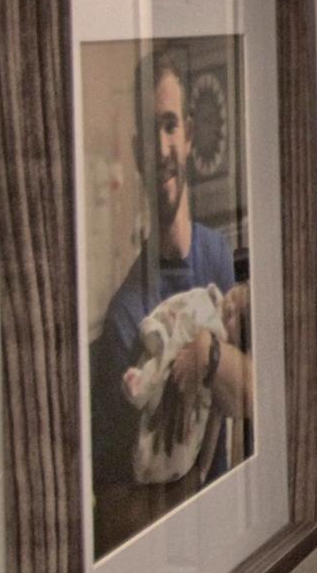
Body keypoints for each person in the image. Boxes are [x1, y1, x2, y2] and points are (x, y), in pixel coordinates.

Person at [93, 54, 253, 506]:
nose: (162, 148)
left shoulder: (217, 255)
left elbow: (253, 399)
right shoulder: (125, 316)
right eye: (151, 133)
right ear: (138, 150)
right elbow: (118, 489)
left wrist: (208, 353)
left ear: (186, 135)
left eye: (170, 126)